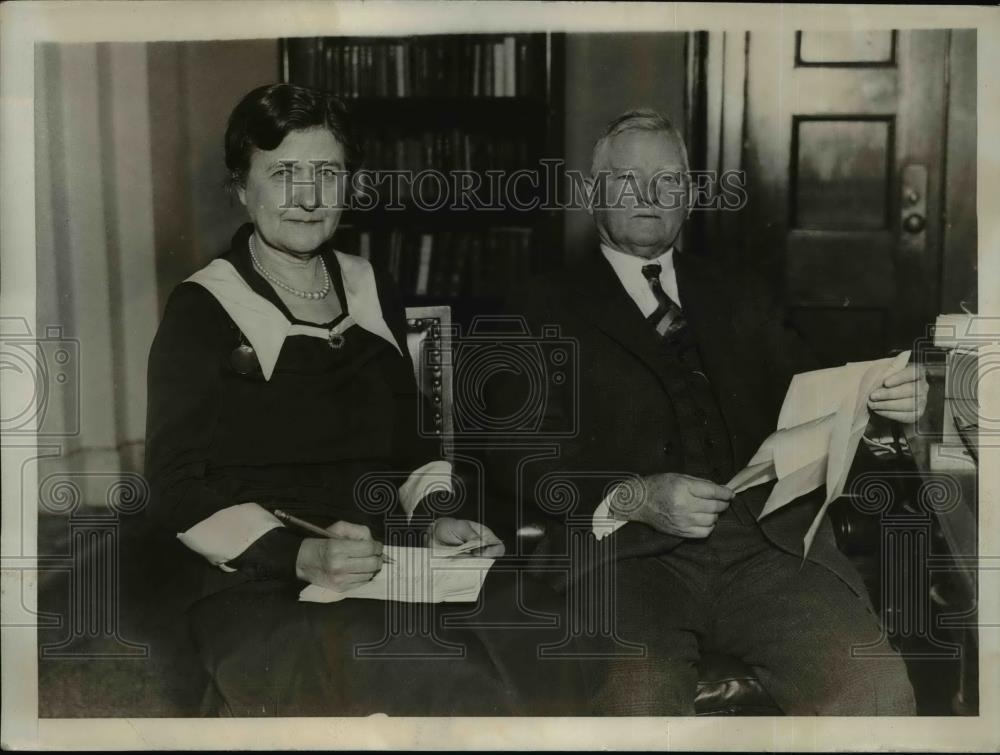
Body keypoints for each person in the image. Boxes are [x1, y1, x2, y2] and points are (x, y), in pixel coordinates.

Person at [144, 83, 588, 716]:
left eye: (326, 173)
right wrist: (300, 554)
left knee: (545, 626)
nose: (306, 197)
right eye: (283, 173)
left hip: (388, 557)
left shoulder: (371, 284)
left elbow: (417, 447)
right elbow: (173, 486)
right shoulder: (203, 308)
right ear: (241, 187)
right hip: (261, 578)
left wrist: (435, 517)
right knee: (445, 672)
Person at [486, 109, 928, 715]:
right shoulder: (536, 304)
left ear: (690, 198)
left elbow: (822, 398)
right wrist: (634, 495)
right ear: (592, 195)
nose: (648, 195)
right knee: (639, 700)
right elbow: (514, 453)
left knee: (875, 690)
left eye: (667, 180)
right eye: (626, 180)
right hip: (627, 560)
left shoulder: (740, 292)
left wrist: (883, 409)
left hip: (766, 548)